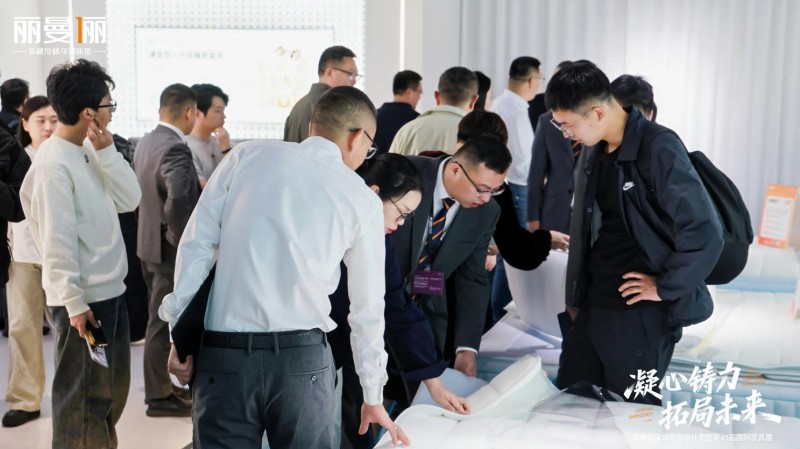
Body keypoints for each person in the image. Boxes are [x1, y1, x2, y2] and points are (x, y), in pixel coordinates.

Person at [160, 86, 409, 448]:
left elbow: (196, 246)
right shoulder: (360, 197)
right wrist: (373, 394)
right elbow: (367, 307)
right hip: (302, 361)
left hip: (225, 356)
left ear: (312, 126)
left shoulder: (245, 156)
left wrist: (179, 337)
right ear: (357, 137)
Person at [549, 61, 723, 405]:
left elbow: (704, 231)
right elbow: (586, 228)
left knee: (633, 412)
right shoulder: (595, 147)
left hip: (639, 310)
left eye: (567, 125)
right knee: (573, 401)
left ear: (598, 113)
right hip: (596, 299)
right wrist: (576, 295)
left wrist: (666, 286)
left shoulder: (658, 146)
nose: (566, 134)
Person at [20, 58, 141, 448]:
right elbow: (56, 242)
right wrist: (74, 303)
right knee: (84, 401)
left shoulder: (89, 148)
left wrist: (108, 153)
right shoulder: (53, 165)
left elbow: (130, 199)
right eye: (109, 105)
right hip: (84, 305)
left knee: (107, 396)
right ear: (89, 112)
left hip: (109, 294)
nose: (112, 112)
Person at [329, 153, 470, 448]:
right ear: (373, 194)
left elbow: (395, 303)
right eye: (401, 212)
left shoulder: (380, 238)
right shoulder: (327, 224)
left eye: (408, 216)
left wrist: (433, 381)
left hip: (347, 350)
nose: (401, 223)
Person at [391, 136, 510, 378]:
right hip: (374, 304)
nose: (486, 198)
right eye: (482, 189)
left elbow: (473, 278)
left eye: (495, 190)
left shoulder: (486, 212)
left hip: (426, 315)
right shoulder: (403, 172)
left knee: (421, 392)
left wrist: (467, 348)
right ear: (456, 170)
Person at [134, 83, 199, 418]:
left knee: (157, 317)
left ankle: (162, 387)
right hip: (167, 249)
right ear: (190, 112)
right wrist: (182, 241)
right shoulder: (175, 148)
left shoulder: (147, 141)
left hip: (147, 243)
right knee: (161, 322)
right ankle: (159, 397)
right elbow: (178, 200)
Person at [2, 97, 56, 428]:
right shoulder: (14, 158)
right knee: (22, 327)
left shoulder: (68, 155)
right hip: (23, 255)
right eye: (40, 120)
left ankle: (73, 394)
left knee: (70, 331)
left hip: (61, 258)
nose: (48, 126)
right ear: (25, 123)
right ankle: (25, 398)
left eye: (53, 119)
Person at [389, 67, 478, 156]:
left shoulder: (407, 131)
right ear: (474, 100)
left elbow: (388, 164)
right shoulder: (477, 137)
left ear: (437, 96)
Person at [284, 45, 359, 143]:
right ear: (330, 72)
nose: (354, 81)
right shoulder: (332, 107)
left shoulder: (298, 106)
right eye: (350, 74)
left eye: (355, 76)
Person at [187, 83, 230, 187]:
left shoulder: (224, 142)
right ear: (197, 113)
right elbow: (204, 190)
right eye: (218, 111)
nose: (224, 116)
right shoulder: (185, 147)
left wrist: (227, 149)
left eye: (223, 111)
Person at [374, 70, 422, 153]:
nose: (419, 97)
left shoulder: (374, 116)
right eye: (419, 92)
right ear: (409, 92)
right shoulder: (417, 121)